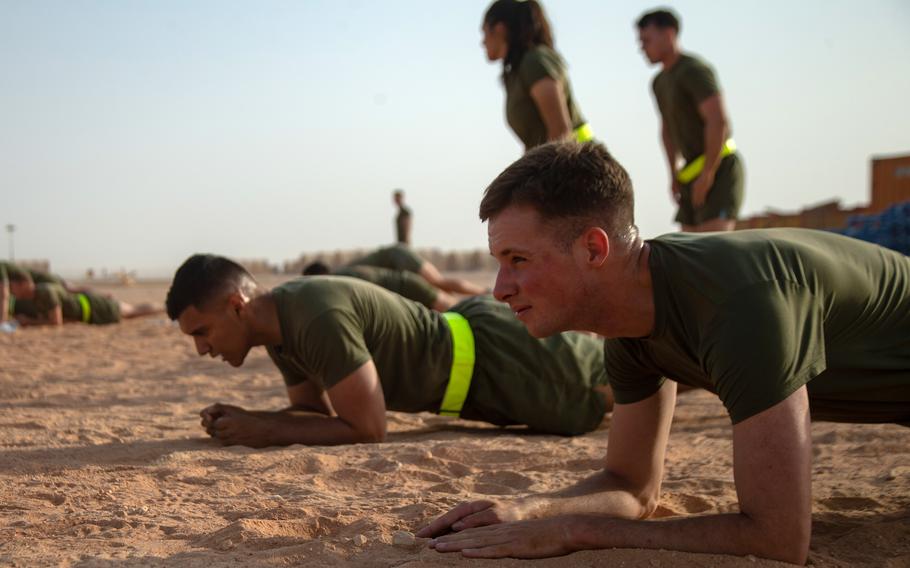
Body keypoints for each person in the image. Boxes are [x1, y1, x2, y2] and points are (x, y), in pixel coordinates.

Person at [419, 141, 910, 564]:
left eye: (518, 260)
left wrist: (575, 532)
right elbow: (632, 486)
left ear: (594, 249)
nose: (501, 289)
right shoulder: (631, 323)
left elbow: (779, 538)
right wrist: (534, 510)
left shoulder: (738, 306)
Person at [166, 254, 613, 447]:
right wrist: (250, 421)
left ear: (235, 305)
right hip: (481, 373)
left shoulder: (314, 317)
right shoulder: (279, 333)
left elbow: (368, 428)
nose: (203, 349)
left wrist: (263, 431)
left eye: (201, 332)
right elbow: (315, 417)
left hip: (504, 360)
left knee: (644, 375)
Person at [638, 8, 744, 232]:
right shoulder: (658, 83)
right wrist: (673, 173)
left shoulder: (694, 70)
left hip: (719, 168)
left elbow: (718, 121)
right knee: (689, 253)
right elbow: (666, 129)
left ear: (668, 34)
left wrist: (708, 173)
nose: (642, 47)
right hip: (690, 173)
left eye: (647, 40)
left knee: (713, 250)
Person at [482, 0, 593, 152]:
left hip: (579, 168)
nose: (482, 42)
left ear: (500, 29)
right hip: (559, 167)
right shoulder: (517, 71)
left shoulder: (534, 61)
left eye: (484, 33)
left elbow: (561, 131)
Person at [8, 270, 163, 326]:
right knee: (131, 313)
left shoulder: (44, 292)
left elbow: (56, 321)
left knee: (132, 311)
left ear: (23, 284)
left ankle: (167, 307)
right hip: (90, 311)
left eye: (13, 286)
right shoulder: (38, 295)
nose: (10, 290)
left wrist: (29, 322)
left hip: (94, 306)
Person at [303, 261, 456, 311]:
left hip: (407, 286)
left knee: (456, 310)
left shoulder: (337, 283)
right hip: (405, 288)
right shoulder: (340, 278)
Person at [348, 244, 488, 296]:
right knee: (437, 287)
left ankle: (484, 292)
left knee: (438, 282)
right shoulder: (343, 273)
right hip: (398, 257)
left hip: (399, 257)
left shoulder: (342, 275)